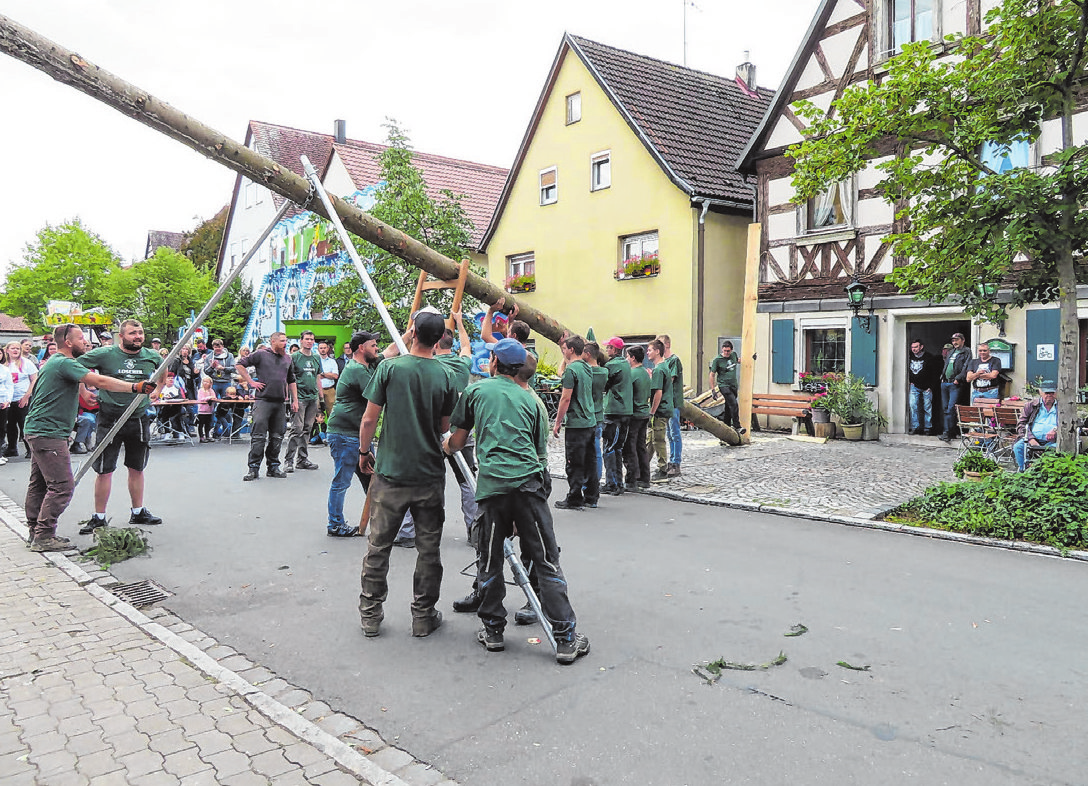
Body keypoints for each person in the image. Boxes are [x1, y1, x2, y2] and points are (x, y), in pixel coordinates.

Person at [445, 338, 591, 664]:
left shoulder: (477, 392)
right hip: (529, 488)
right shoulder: (533, 401)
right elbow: (540, 457)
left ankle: (493, 631)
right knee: (546, 560)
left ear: (494, 363)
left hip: (493, 490)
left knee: (490, 558)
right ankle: (566, 638)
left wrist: (445, 446)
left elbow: (456, 442)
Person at [357, 311, 458, 638]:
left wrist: (364, 452)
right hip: (428, 472)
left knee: (378, 545)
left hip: (391, 473)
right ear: (439, 337)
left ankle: (370, 615)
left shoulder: (388, 368)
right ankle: (423, 616)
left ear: (412, 331)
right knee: (429, 548)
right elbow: (444, 427)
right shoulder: (445, 375)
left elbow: (369, 420)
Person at [25, 324, 156, 551]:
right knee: (62, 486)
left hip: (39, 430)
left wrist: (84, 392)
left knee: (39, 485)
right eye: (80, 339)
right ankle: (44, 536)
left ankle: (35, 531)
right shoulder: (64, 362)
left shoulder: (56, 363)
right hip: (49, 433)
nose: (85, 343)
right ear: (68, 342)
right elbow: (102, 382)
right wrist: (135, 387)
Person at [76, 319, 166, 535]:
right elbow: (74, 366)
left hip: (138, 417)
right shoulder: (105, 354)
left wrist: (158, 390)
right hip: (110, 417)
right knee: (104, 470)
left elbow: (163, 371)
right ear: (122, 336)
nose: (138, 337)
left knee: (137, 468)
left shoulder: (152, 356)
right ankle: (99, 517)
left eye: (141, 333)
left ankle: (138, 511)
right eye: (133, 333)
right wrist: (83, 390)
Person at [325, 331, 382, 538]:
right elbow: (378, 397)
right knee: (342, 480)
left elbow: (392, 352)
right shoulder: (357, 370)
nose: (377, 348)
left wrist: (409, 334)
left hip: (359, 435)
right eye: (373, 345)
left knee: (373, 479)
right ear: (361, 348)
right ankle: (335, 524)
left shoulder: (368, 364)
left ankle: (379, 523)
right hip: (345, 434)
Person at [236, 331, 298, 481]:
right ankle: (253, 468)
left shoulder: (288, 359)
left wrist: (294, 400)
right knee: (258, 436)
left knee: (277, 436)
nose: (285, 343)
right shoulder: (261, 354)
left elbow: (292, 380)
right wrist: (251, 382)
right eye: (282, 341)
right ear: (273, 342)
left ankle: (273, 467)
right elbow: (239, 364)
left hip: (280, 402)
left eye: (286, 341)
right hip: (263, 400)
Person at [551, 334, 597, 510]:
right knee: (589, 460)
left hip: (576, 422)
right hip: (590, 420)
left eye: (565, 349)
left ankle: (574, 497)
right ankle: (592, 496)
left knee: (574, 462)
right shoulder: (586, 367)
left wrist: (557, 422)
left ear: (571, 350)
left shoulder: (572, 370)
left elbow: (565, 399)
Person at [283, 331, 322, 472]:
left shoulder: (316, 357)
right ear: (301, 341)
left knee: (307, 429)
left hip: (313, 397)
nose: (310, 341)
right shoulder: (294, 357)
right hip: (299, 396)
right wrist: (292, 398)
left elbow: (318, 377)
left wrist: (321, 398)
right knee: (296, 429)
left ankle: (302, 459)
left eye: (312, 339)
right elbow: (289, 378)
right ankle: (288, 460)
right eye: (307, 339)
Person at [601, 337, 632, 495]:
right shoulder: (626, 364)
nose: (606, 350)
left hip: (614, 412)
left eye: (608, 348)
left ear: (614, 349)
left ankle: (612, 484)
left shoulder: (612, 365)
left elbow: (602, 384)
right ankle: (618, 482)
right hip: (626, 411)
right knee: (618, 448)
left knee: (609, 448)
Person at [622, 345, 652, 491]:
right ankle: (645, 477)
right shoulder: (645, 372)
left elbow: (626, 394)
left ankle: (632, 478)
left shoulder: (632, 374)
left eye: (628, 356)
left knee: (630, 446)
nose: (627, 359)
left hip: (634, 414)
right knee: (641, 446)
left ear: (633, 358)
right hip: (644, 413)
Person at [1013, 383, 1059, 472]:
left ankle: (1046, 473)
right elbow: (1021, 424)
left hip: (1053, 441)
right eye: (1046, 393)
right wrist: (1031, 439)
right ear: (1040, 392)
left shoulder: (1062, 407)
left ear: (1056, 393)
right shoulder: (1031, 406)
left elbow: (1068, 424)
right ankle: (1023, 471)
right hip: (1032, 439)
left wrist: (1056, 430)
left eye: (1052, 393)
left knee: (1057, 449)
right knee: (1018, 447)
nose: (1049, 396)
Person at [656, 334, 684, 477]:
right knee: (669, 433)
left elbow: (669, 380)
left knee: (674, 433)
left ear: (666, 345)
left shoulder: (673, 360)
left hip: (673, 401)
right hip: (667, 402)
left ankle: (676, 462)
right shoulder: (664, 361)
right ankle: (671, 461)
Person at [5, 340, 38, 458]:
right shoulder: (4, 363)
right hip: (7, 399)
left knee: (24, 424)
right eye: (13, 348)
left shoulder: (27, 363)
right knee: (10, 425)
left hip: (22, 397)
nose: (15, 350)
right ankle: (12, 448)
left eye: (17, 348)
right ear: (7, 350)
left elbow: (34, 379)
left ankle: (30, 449)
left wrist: (27, 396)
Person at [647, 340, 674, 482]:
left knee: (658, 439)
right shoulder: (662, 367)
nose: (647, 352)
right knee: (650, 439)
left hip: (660, 410)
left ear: (657, 351)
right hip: (663, 408)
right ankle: (642, 467)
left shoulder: (659, 369)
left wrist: (652, 411)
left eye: (650, 350)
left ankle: (663, 469)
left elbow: (658, 392)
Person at [939, 333, 972, 441]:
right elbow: (946, 364)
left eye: (957, 340)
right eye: (953, 341)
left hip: (955, 383)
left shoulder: (967, 351)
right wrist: (942, 377)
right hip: (945, 383)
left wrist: (958, 378)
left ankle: (948, 432)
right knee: (945, 409)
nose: (954, 343)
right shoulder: (951, 352)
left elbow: (966, 366)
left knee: (951, 408)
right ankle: (948, 432)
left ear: (963, 340)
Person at [907, 339, 942, 435]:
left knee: (927, 407)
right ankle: (915, 427)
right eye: (912, 347)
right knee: (913, 406)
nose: (914, 349)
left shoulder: (929, 358)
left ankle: (928, 427)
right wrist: (910, 381)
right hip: (914, 386)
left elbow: (935, 373)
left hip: (927, 387)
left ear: (921, 347)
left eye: (916, 347)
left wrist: (931, 386)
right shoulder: (908, 356)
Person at [709, 341, 744, 434]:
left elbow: (739, 360)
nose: (726, 353)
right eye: (724, 351)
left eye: (728, 351)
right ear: (722, 350)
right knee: (734, 404)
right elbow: (712, 375)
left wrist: (751, 359)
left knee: (728, 406)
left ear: (731, 350)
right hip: (724, 385)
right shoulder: (717, 360)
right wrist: (713, 390)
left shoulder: (733, 355)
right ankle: (737, 426)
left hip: (733, 385)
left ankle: (726, 427)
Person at [204, 339, 236, 437]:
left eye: (219, 346)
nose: (217, 348)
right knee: (212, 406)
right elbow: (206, 371)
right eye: (215, 347)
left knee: (226, 406)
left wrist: (223, 368)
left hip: (226, 382)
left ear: (222, 346)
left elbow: (234, 368)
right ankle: (215, 431)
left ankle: (227, 430)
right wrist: (212, 366)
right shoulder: (209, 357)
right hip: (215, 383)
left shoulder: (229, 356)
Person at [316, 340, 339, 444]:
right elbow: (315, 375)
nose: (323, 349)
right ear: (318, 349)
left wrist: (323, 374)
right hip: (316, 390)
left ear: (328, 349)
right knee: (316, 413)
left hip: (329, 390)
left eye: (325, 348)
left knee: (332, 413)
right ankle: (317, 435)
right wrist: (327, 374)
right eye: (321, 348)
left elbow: (335, 376)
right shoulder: (315, 360)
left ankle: (331, 436)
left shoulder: (332, 362)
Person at [72, 384, 98, 455]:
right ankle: (83, 441)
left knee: (87, 420)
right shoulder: (80, 390)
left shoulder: (99, 389)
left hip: (97, 412)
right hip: (83, 412)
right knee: (89, 419)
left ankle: (77, 444)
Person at [195, 377, 216, 442]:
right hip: (202, 410)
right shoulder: (200, 390)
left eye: (207, 382)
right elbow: (201, 399)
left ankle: (207, 435)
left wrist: (212, 398)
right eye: (204, 381)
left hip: (209, 410)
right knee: (201, 424)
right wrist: (208, 398)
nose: (205, 383)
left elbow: (214, 397)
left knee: (208, 424)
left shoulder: (211, 391)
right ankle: (201, 437)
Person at [0, 361, 12, 465]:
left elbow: (9, 386)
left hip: (2, 402)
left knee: (2, 428)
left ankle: (0, 454)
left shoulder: (5, 370)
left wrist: (8, 400)